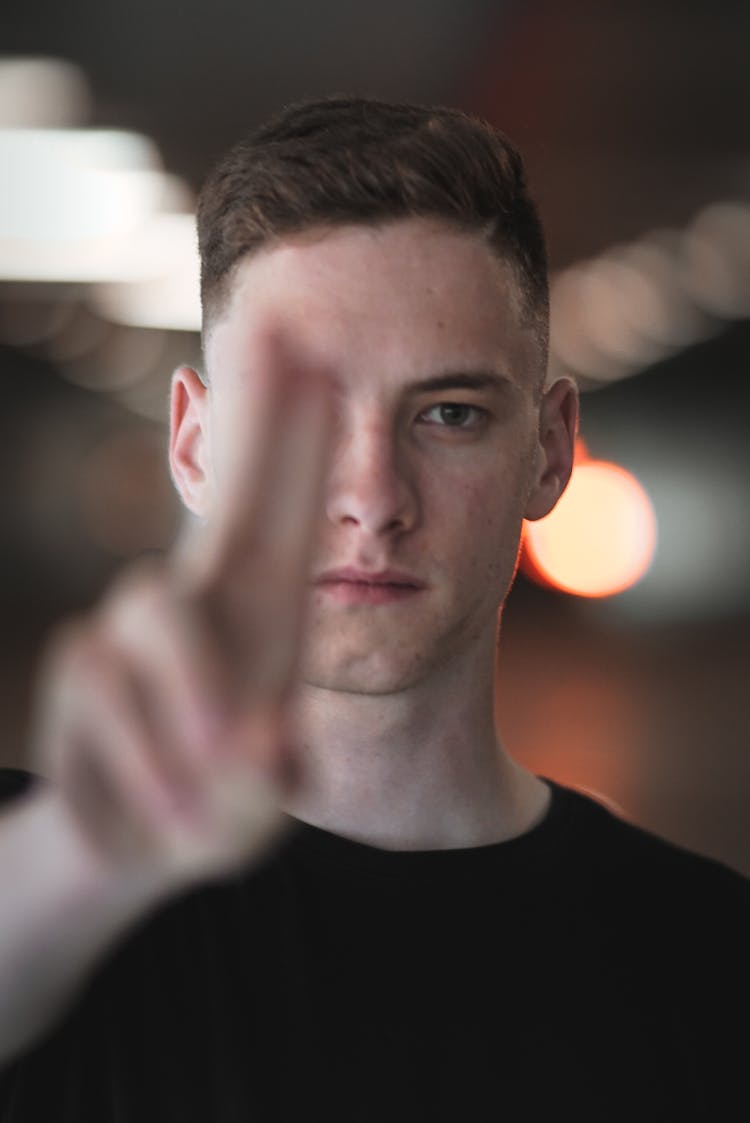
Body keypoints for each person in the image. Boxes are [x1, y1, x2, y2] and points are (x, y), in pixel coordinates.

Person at [0, 95, 746, 1122]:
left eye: (448, 414)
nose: (373, 498)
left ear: (550, 450)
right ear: (193, 445)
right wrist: (71, 864)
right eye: (296, 417)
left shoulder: (709, 959)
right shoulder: (44, 881)